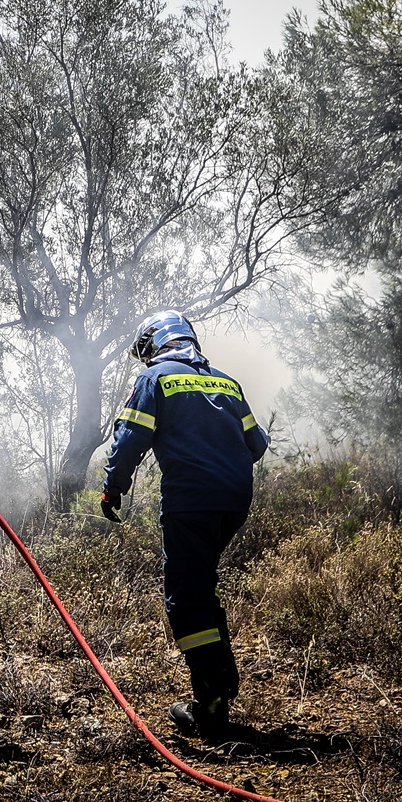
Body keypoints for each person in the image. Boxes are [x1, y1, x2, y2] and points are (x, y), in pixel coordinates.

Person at [98, 309, 269, 741]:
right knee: (200, 584)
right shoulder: (226, 381)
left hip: (190, 501)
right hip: (234, 502)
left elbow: (131, 438)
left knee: (185, 596)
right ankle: (221, 674)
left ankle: (211, 704)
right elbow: (257, 444)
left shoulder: (155, 378)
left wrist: (113, 487)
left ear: (154, 343)